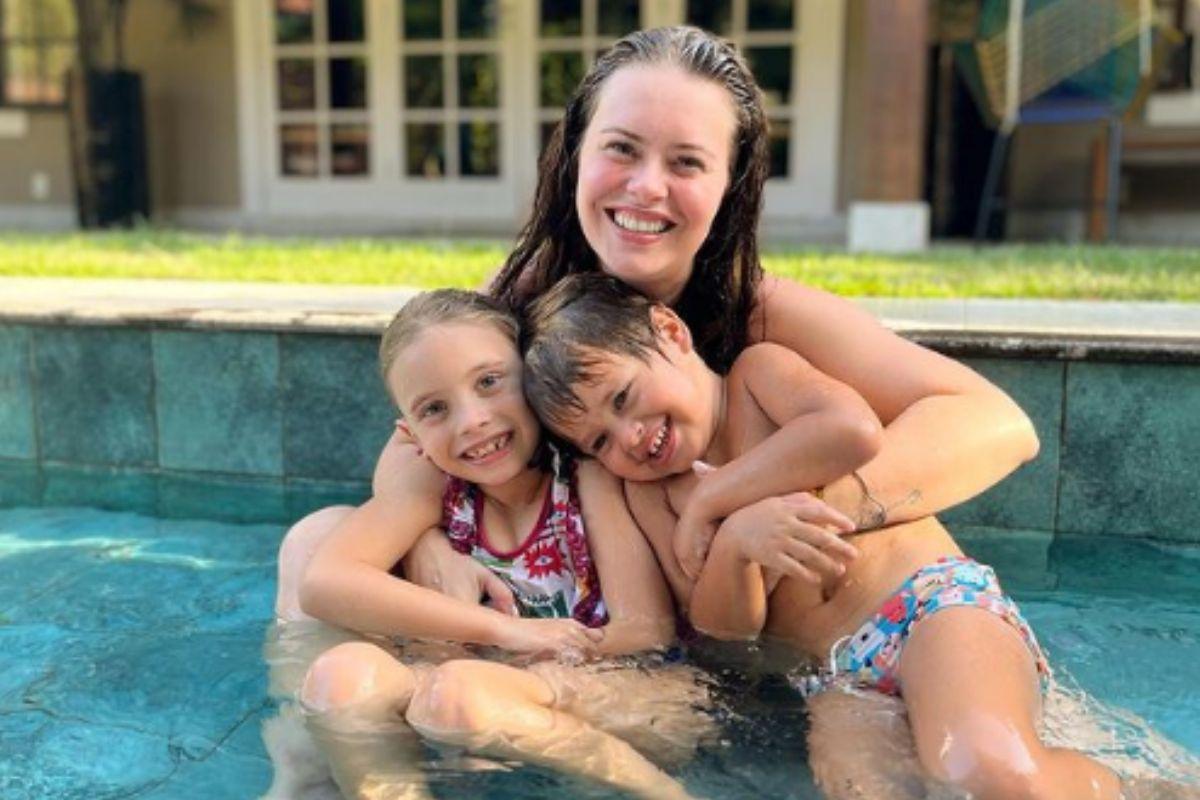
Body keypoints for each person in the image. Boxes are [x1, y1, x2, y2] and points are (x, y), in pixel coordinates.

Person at [272, 22, 1041, 795]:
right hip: (580, 621)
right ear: (575, 153)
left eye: (686, 162)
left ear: (729, 183)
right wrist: (431, 539)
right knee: (315, 543)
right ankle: (309, 779)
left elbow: (997, 423)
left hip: (699, 644)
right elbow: (420, 438)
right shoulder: (524, 311)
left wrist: (758, 512)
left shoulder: (761, 319)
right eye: (622, 148)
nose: (645, 187)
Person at [521, 272, 1124, 800]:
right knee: (859, 788)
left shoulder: (758, 378)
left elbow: (852, 432)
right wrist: (736, 546)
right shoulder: (649, 497)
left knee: (982, 771)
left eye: (623, 398)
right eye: (599, 441)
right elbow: (726, 630)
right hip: (839, 679)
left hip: (929, 605)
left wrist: (717, 495)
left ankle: (1141, 789)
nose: (629, 437)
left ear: (671, 332)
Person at [277, 289, 706, 800]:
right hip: (471, 696)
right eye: (434, 409)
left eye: (488, 382)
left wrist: (510, 670)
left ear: (532, 379)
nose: (471, 420)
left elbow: (646, 632)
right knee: (343, 679)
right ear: (410, 433)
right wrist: (502, 632)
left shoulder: (586, 476)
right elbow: (326, 582)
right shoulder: (437, 487)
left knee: (459, 693)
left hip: (633, 696)